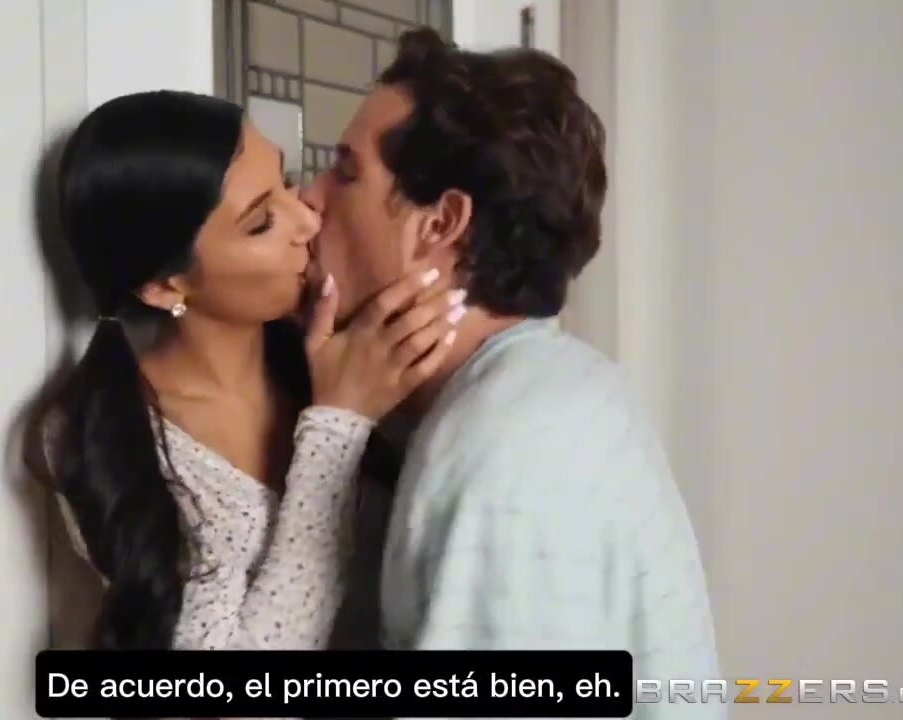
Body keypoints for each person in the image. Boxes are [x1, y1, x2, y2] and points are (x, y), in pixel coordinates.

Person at [301, 28, 723, 714]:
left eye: (344, 173)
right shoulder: (552, 390)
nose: (307, 199)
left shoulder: (501, 451)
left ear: (440, 224)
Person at [36, 90, 465, 651]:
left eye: (286, 182)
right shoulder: (115, 440)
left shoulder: (333, 352)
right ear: (165, 286)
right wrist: (337, 425)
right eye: (261, 222)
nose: (307, 217)